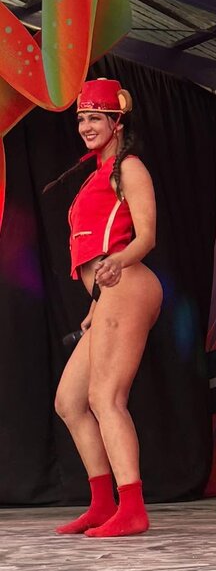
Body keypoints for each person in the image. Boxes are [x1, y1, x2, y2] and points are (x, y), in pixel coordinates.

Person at [49, 78, 161, 537]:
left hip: (129, 280)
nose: (86, 127)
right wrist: (96, 306)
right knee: (70, 402)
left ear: (117, 122)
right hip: (107, 293)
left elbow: (146, 236)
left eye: (95, 118)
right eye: (81, 119)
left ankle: (132, 508)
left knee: (105, 398)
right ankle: (102, 503)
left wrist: (118, 262)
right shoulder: (94, 176)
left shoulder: (128, 167)